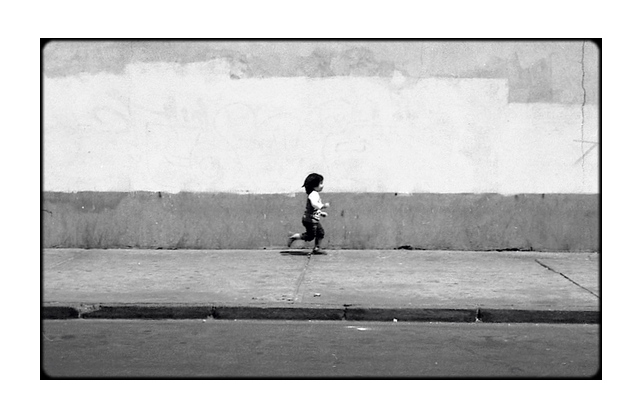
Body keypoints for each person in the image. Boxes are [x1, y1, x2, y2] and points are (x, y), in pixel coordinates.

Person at [287, 173, 330, 254]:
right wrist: (323, 206)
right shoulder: (313, 194)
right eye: (320, 183)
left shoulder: (315, 194)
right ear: (314, 185)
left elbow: (313, 209)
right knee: (310, 236)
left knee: (320, 233)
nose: (322, 185)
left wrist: (321, 213)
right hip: (309, 220)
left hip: (313, 219)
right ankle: (294, 237)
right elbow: (314, 204)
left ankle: (317, 248)